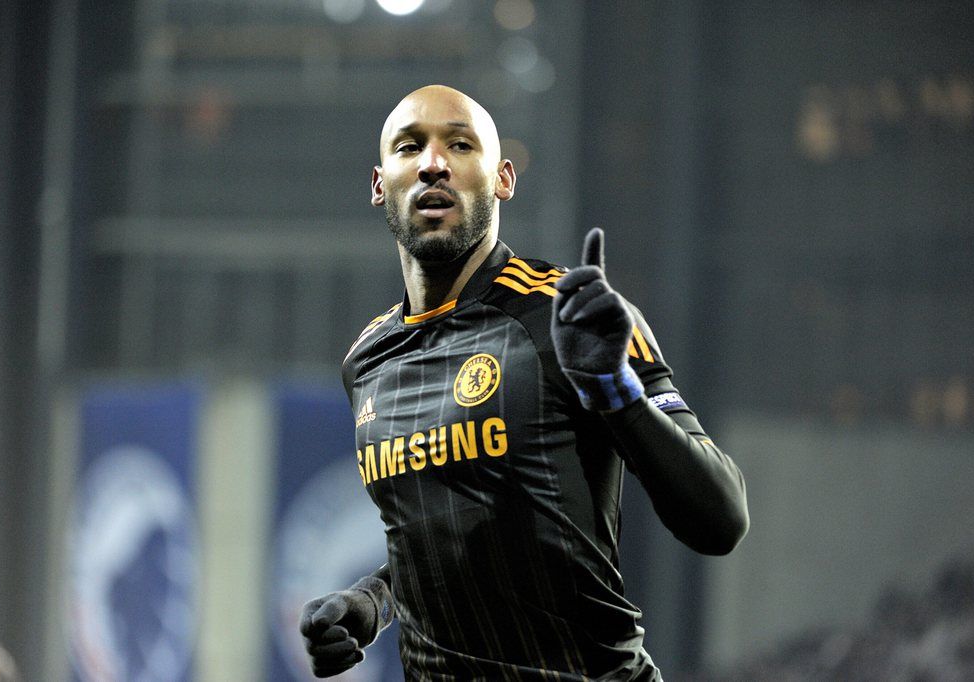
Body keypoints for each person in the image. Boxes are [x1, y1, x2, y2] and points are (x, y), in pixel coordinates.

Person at [300, 84, 749, 680]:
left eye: (459, 144)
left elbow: (721, 520)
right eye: (411, 147)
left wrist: (617, 393)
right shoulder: (367, 360)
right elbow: (436, 535)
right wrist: (372, 600)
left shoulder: (570, 320)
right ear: (381, 184)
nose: (434, 163)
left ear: (503, 178)